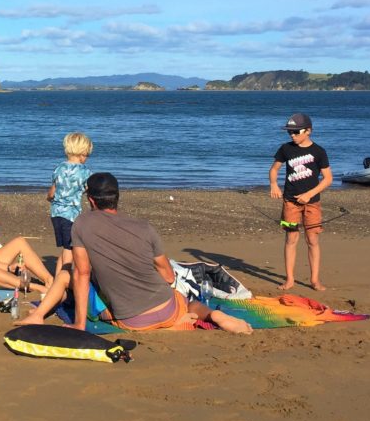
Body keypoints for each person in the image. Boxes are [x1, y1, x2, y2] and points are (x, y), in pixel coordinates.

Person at [68, 172, 252, 334]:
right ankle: (212, 315)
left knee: (95, 302)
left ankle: (174, 326)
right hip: (167, 308)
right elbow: (168, 276)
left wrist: (79, 323)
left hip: (132, 320)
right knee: (186, 302)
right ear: (117, 197)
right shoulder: (144, 227)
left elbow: (81, 273)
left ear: (91, 200)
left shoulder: (82, 224)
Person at [269, 112, 333, 292]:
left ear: (308, 131)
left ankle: (315, 280)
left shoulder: (319, 151)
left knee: (312, 240)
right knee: (291, 238)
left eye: (296, 132)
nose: (292, 135)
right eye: (290, 132)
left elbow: (328, 179)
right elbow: (274, 169)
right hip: (290, 201)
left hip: (312, 202)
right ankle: (290, 279)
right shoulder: (285, 149)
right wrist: (273, 184)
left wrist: (309, 194)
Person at [46, 131, 93, 274]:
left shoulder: (59, 168)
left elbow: (51, 194)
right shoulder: (85, 172)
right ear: (82, 153)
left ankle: (59, 277)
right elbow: (90, 189)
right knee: (70, 249)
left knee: (67, 248)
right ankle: (63, 281)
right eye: (87, 155)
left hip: (56, 213)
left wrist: (53, 199)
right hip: (71, 215)